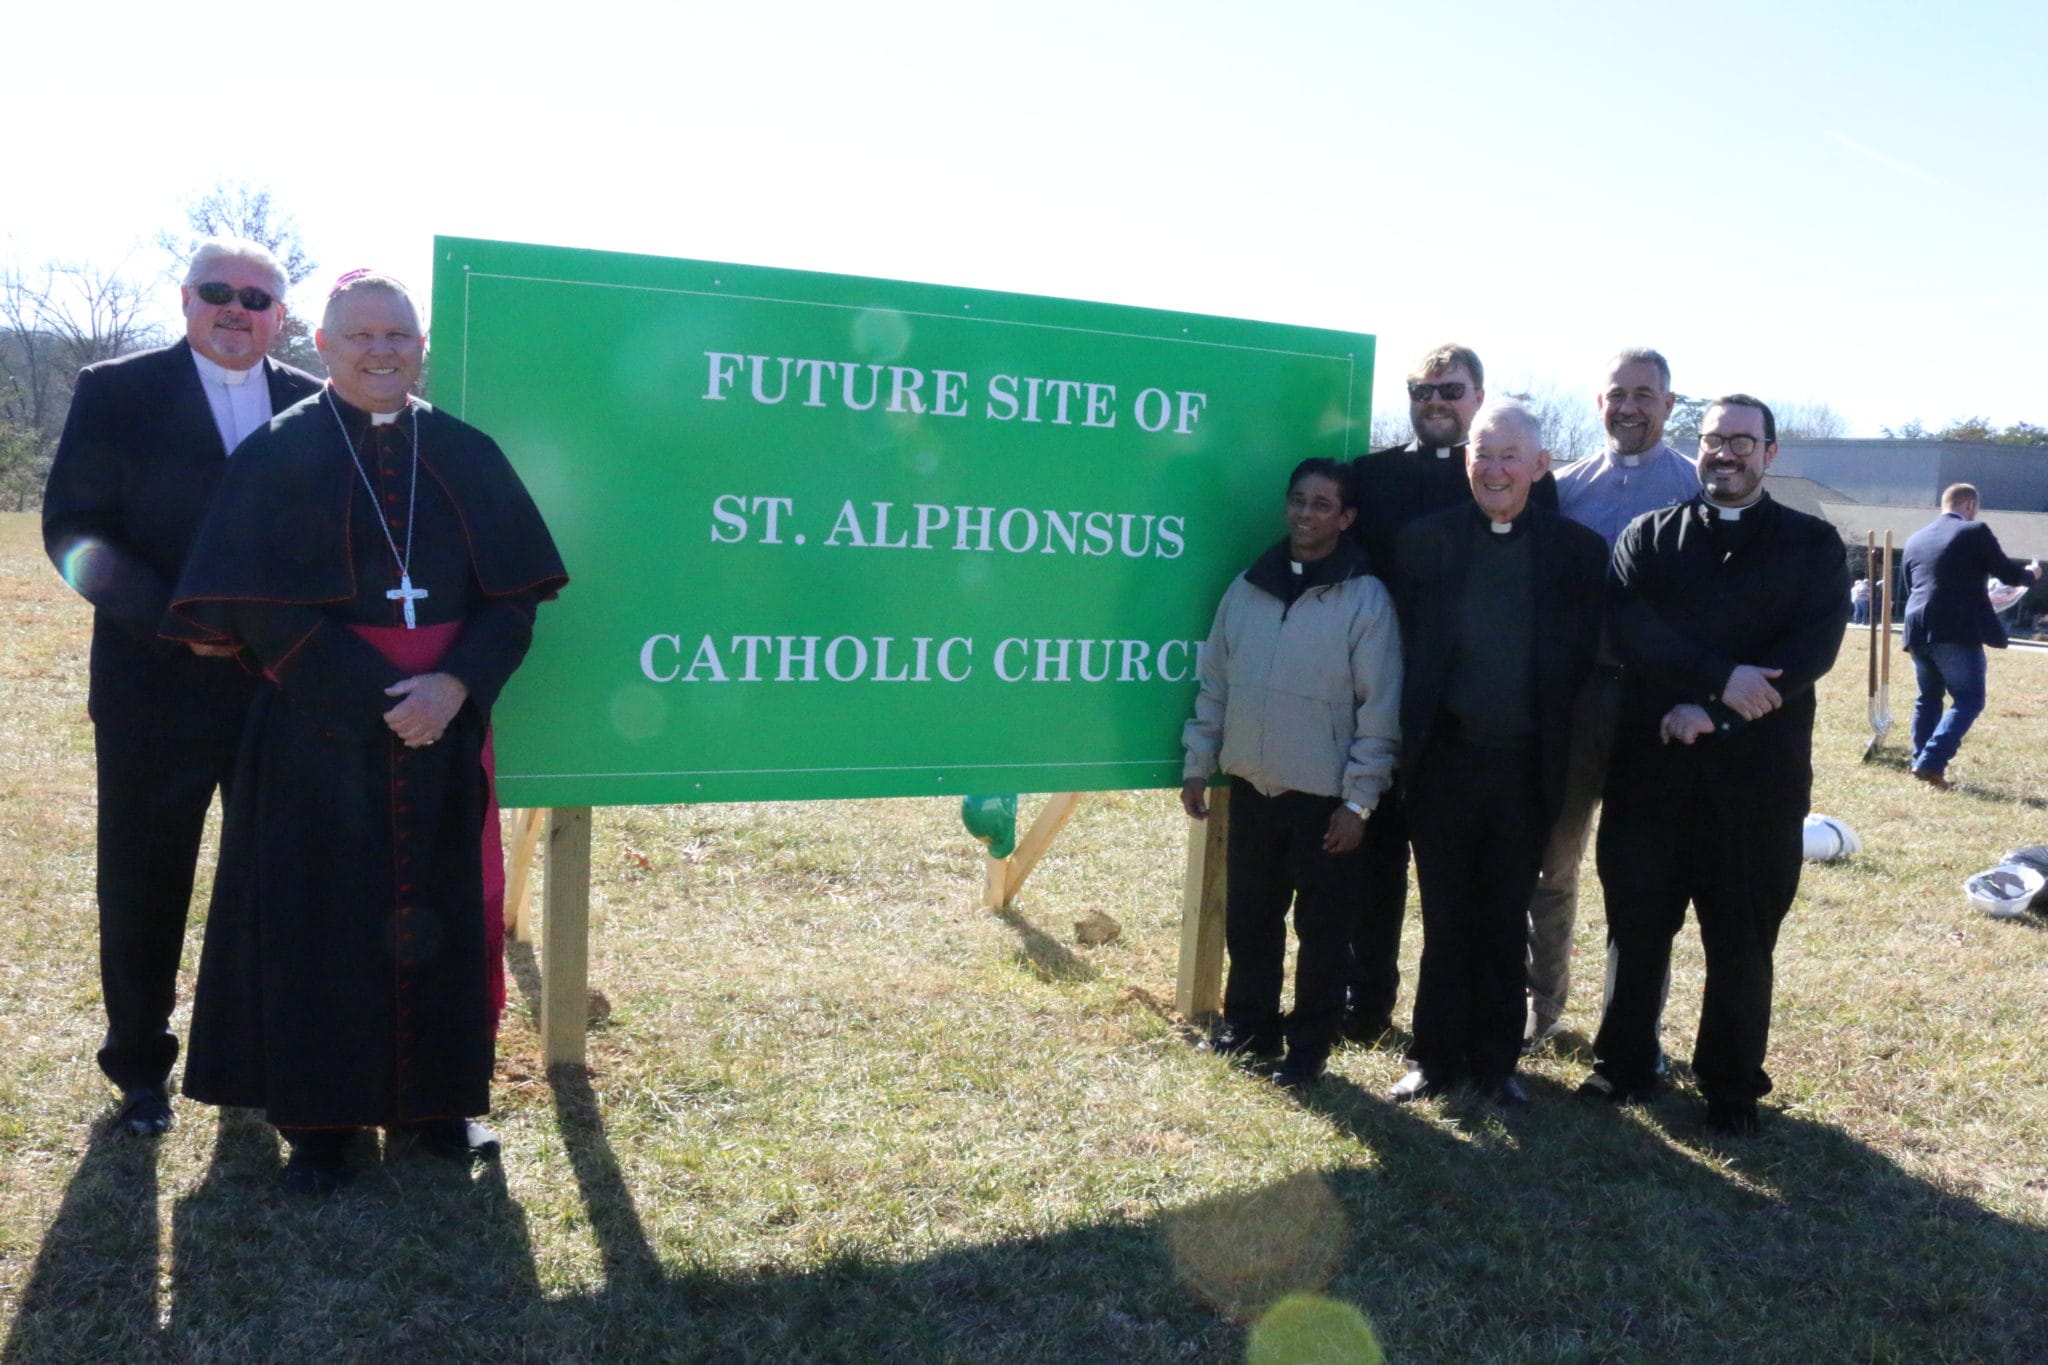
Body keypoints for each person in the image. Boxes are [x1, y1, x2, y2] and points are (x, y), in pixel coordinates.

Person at [164, 271, 567, 1191]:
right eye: (361, 336)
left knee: (445, 912)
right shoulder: (277, 453)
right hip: (317, 725)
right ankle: (320, 1122)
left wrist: (455, 685)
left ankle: (438, 1107)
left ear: (422, 344)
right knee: (319, 917)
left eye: (399, 334)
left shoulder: (465, 451)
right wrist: (386, 698)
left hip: (446, 723)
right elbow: (262, 613)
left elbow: (516, 600)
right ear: (323, 344)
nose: (382, 350)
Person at [42, 238, 319, 1138]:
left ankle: (257, 1058)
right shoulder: (116, 391)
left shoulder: (311, 403)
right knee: (144, 878)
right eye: (217, 292)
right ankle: (138, 1068)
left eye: (257, 297)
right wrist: (175, 623)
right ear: (187, 300)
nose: (235, 309)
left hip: (274, 690)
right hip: (151, 688)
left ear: (282, 315)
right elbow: (74, 529)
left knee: (268, 879)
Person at [1583, 395, 1847, 1136]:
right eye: (1711, 440)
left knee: (1741, 937)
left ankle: (1731, 1084)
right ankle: (1623, 1062)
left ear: (1770, 451)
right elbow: (1632, 627)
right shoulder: (1649, 537)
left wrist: (1717, 710)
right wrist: (1716, 674)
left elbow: (1812, 651)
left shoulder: (1811, 545)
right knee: (1635, 929)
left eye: (1740, 440)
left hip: (1757, 782)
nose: (1723, 453)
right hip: (1652, 773)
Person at [1386, 401, 1606, 1105]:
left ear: (1541, 465)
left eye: (1510, 455)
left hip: (1526, 766)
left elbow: (1583, 666)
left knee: (1507, 912)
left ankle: (1496, 1061)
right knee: (1445, 913)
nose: (1494, 468)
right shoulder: (1425, 542)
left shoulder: (1576, 554)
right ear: (1466, 463)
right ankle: (1432, 1057)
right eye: (1482, 454)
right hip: (1444, 760)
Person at [1342, 344, 1558, 1043]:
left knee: (1473, 885)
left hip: (1469, 715)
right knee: (1375, 867)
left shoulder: (1513, 480)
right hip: (1378, 696)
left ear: (1479, 394)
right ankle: (1368, 1004)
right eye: (1421, 389)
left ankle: (1479, 1023)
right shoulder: (1371, 477)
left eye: (1450, 389)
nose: (1434, 401)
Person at [1182, 459, 1402, 1090]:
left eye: (1323, 505)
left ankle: (1308, 1046)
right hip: (1255, 787)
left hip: (1325, 801)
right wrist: (1200, 760)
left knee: (1324, 934)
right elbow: (1215, 683)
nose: (1308, 514)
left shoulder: (1365, 598)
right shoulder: (1248, 586)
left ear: (1346, 518)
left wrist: (1358, 803)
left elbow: (1379, 709)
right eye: (1299, 501)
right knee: (1251, 918)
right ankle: (1250, 1027)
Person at [1524, 348, 1700, 1047]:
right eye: (1616, 393)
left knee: (1643, 875)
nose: (1629, 406)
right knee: (1550, 863)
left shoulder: (1695, 487)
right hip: (1576, 700)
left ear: (1668, 403)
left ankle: (1632, 1029)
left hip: (1656, 705)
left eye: (1644, 394)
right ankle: (1539, 1013)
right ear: (1599, 403)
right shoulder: (1563, 488)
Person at [1898, 484, 2039, 790]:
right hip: (1955, 627)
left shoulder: (1915, 538)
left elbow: (1909, 584)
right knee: (1969, 698)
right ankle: (1931, 762)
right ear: (1971, 505)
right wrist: (2032, 575)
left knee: (1928, 698)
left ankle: (1920, 759)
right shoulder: (1975, 532)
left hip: (1916, 626)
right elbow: (2009, 574)